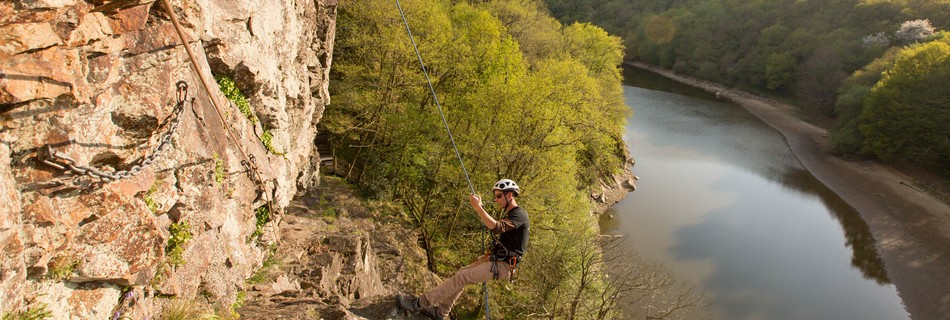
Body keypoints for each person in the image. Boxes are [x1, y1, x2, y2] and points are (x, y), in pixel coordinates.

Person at [395, 179, 530, 319]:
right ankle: (440, 312)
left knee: (462, 277)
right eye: (495, 196)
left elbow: (496, 228)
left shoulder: (519, 214)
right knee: (461, 273)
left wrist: (478, 208)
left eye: (499, 196)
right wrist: (481, 209)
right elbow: (496, 225)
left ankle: (418, 303)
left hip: (504, 265)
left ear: (509, 195)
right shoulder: (512, 215)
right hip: (497, 259)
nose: (496, 200)